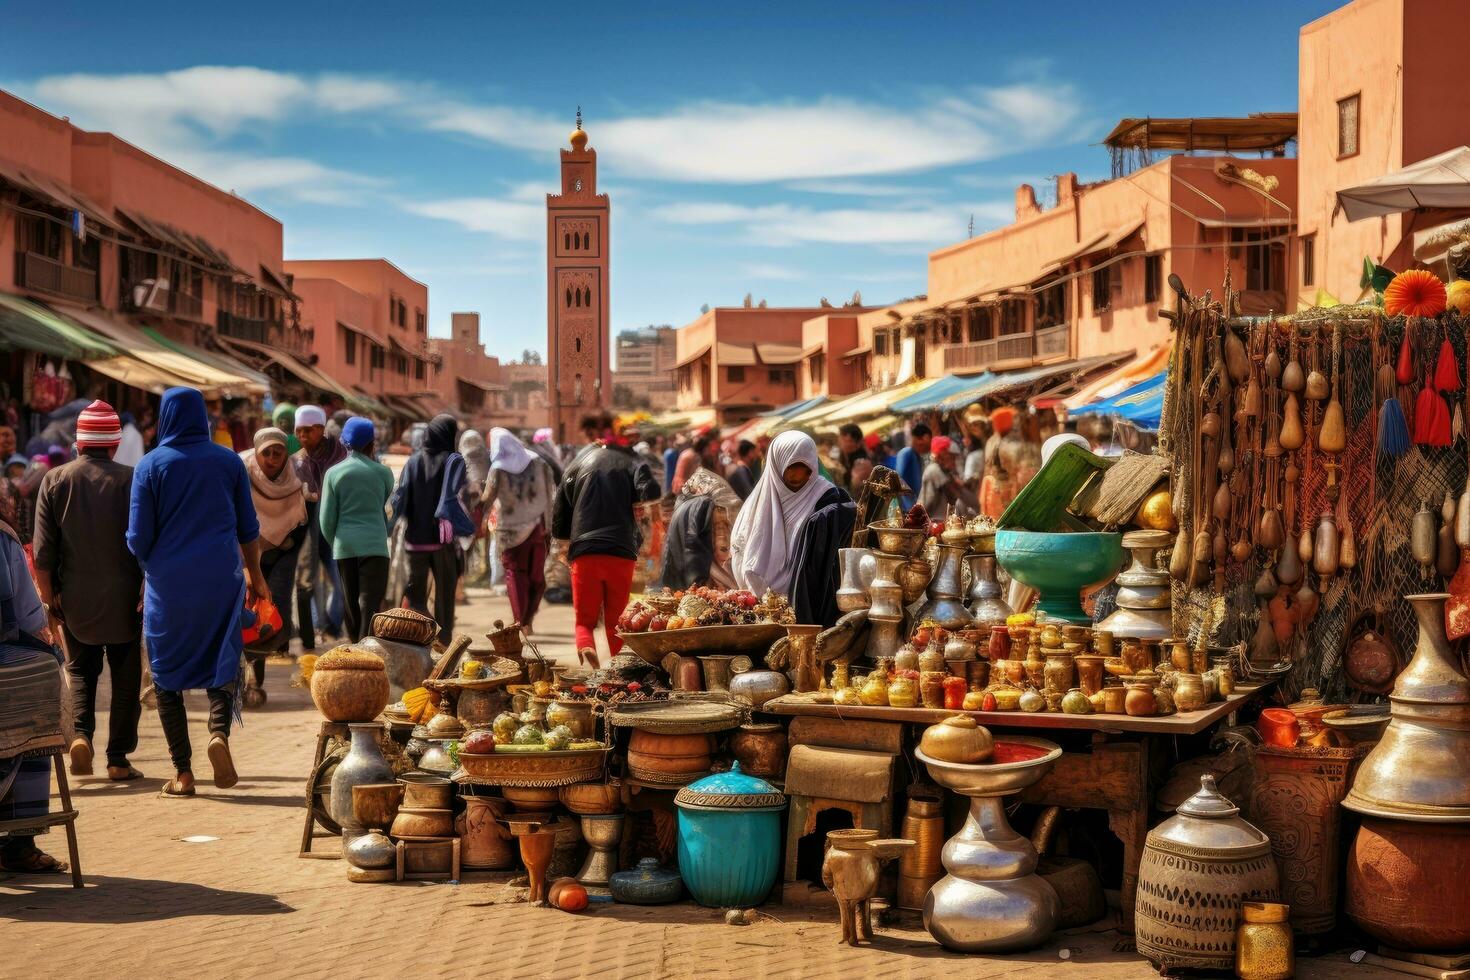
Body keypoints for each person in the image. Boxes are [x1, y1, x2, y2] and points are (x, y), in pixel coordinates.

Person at [127, 387, 267, 798]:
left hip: (168, 586)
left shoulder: (149, 466)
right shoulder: (228, 461)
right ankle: (218, 733)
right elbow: (248, 528)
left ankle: (183, 773)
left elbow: (137, 538)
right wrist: (256, 576)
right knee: (223, 656)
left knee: (167, 676)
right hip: (222, 580)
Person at [31, 401, 144, 781]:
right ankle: (117, 759)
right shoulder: (134, 479)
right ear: (114, 443)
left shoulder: (55, 480)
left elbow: (43, 554)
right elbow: (147, 543)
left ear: (79, 442)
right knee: (126, 677)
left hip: (74, 599)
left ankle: (81, 737)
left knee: (81, 673)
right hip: (128, 598)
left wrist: (48, 602)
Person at [552, 426, 661, 667]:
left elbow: (560, 512)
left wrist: (563, 546)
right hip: (621, 551)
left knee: (584, 619)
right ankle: (619, 668)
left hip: (584, 551)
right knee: (616, 618)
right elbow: (650, 492)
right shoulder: (632, 462)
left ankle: (586, 646)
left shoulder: (577, 464)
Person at [0, 515, 70, 874]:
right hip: (10, 663)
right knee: (42, 679)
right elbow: (28, 616)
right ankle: (19, 844)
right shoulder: (4, 537)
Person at [729, 430, 855, 628]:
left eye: (805, 468)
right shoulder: (758, 502)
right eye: (791, 467)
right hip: (757, 612)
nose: (798, 475)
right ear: (777, 464)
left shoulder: (828, 498)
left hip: (811, 611)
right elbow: (741, 548)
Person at [392, 414, 475, 645]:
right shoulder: (453, 460)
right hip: (443, 541)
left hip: (415, 540)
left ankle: (418, 641)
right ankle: (444, 639)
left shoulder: (413, 461)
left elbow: (401, 496)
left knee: (416, 596)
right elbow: (461, 497)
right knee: (445, 596)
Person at [239, 426, 308, 695]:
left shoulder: (297, 476)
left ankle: (257, 678)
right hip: (245, 553)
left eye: (277, 452)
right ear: (256, 454)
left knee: (271, 610)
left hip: (283, 552)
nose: (271, 459)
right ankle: (247, 680)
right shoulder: (242, 473)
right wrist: (247, 566)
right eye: (265, 453)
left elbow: (303, 520)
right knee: (246, 611)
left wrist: (285, 545)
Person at [321, 418, 394, 642]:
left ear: (345, 443)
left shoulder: (333, 474)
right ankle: (367, 650)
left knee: (350, 602)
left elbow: (326, 519)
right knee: (370, 603)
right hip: (375, 545)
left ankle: (355, 648)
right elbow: (383, 504)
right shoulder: (384, 473)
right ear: (372, 444)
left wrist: (337, 544)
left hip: (345, 545)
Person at [483, 427, 554, 633]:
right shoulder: (538, 462)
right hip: (536, 529)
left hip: (511, 531)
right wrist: (548, 526)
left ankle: (520, 621)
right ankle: (526, 620)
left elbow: (489, 496)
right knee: (535, 577)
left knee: (516, 575)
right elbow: (549, 496)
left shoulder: (498, 467)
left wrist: (478, 508)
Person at [294, 405, 347, 651]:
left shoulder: (340, 454)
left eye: (308, 430)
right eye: (299, 431)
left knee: (338, 577)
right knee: (309, 576)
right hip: (308, 524)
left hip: (336, 523)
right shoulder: (298, 459)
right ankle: (318, 625)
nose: (303, 437)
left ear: (320, 429)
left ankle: (333, 624)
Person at [920, 436, 980, 520]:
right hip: (932, 520)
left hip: (939, 519)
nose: (954, 459)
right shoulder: (934, 469)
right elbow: (956, 491)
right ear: (942, 454)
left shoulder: (944, 470)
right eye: (950, 455)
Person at [895, 422, 931, 512]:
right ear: (920, 439)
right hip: (907, 507)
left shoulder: (917, 455)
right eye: (928, 442)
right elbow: (898, 478)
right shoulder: (906, 453)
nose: (929, 446)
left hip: (917, 505)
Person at [836, 423, 869, 494]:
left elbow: (856, 491)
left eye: (841, 438)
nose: (839, 442)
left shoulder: (861, 463)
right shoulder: (845, 458)